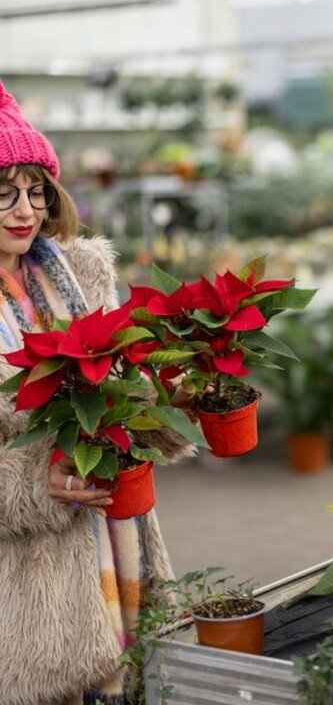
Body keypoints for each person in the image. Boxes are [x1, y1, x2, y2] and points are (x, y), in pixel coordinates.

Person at [0, 80, 193, 705]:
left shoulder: (78, 274)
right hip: (27, 590)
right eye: (2, 194)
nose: (24, 210)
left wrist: (168, 394)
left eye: (34, 191)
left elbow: (119, 384)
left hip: (115, 539)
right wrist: (37, 483)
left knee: (131, 684)